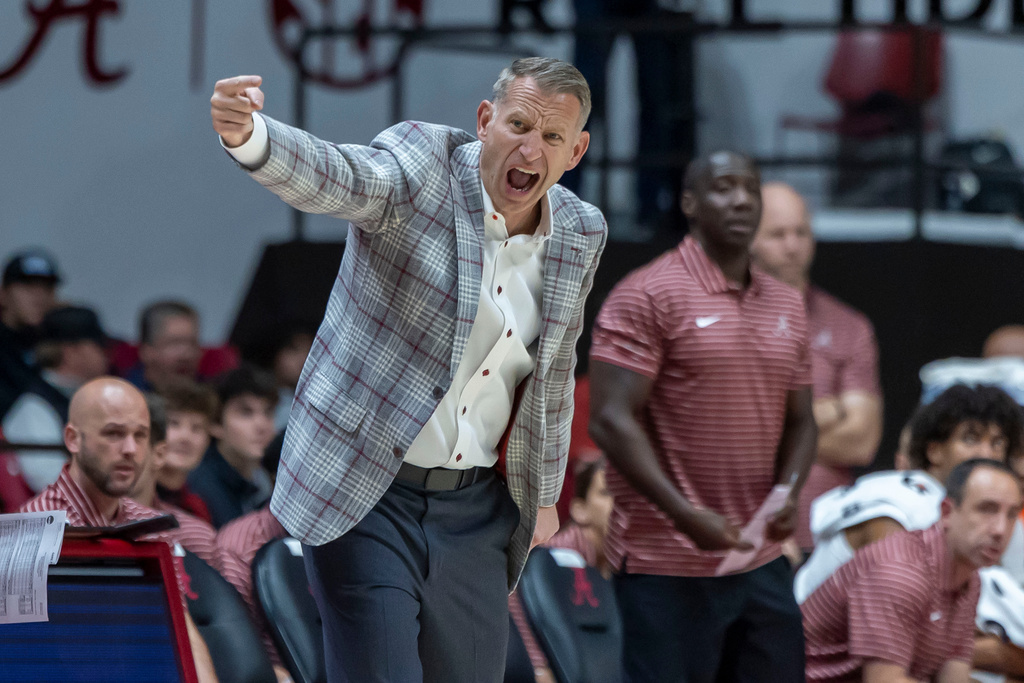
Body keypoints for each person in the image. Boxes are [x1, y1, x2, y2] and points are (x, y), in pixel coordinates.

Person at [211, 55, 605, 682]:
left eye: (552, 137)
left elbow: (553, 375)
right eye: (519, 125)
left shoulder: (580, 232)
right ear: (485, 120)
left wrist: (546, 493)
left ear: (576, 151)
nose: (531, 148)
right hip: (367, 488)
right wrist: (252, 137)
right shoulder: (420, 168)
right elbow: (340, 177)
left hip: (476, 509)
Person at [589, 151, 818, 682]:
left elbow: (803, 420)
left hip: (758, 558)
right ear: (689, 203)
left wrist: (787, 494)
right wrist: (684, 513)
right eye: (724, 187)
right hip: (665, 562)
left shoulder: (786, 303)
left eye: (751, 188)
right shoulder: (647, 293)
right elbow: (610, 419)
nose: (740, 198)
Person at [19, 376, 220, 683]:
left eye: (141, 436)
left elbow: (182, 631)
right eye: (114, 433)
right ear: (73, 439)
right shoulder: (32, 530)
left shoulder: (149, 525)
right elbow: (25, 659)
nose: (130, 449)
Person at [794, 383, 1024, 602]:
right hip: (813, 637)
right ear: (934, 451)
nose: (986, 453)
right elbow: (891, 612)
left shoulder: (995, 516)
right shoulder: (899, 507)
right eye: (971, 438)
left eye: (997, 443)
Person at [802, 458, 1023, 683]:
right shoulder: (900, 571)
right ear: (946, 511)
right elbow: (884, 681)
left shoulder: (969, 579)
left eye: (1012, 514)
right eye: (987, 509)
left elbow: (953, 677)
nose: (1000, 529)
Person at [750, 182, 883, 551]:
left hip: (829, 535)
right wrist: (824, 412)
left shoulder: (848, 325)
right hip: (741, 535)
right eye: (777, 234)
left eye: (801, 232)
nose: (792, 245)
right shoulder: (721, 318)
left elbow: (862, 442)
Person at [3, 306, 109, 493]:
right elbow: (47, 480)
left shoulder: (91, 398)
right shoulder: (34, 406)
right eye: (99, 345)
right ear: (72, 350)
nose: (108, 354)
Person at [187, 365, 277, 528]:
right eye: (246, 413)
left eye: (268, 412)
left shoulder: (265, 479)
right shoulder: (198, 487)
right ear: (216, 423)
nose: (262, 425)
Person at [0, 249, 61, 418]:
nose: (39, 296)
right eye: (27, 286)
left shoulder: (62, 342)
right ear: (3, 294)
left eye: (47, 288)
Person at [156, 379, 218, 523]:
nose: (185, 437)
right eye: (174, 423)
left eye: (196, 428)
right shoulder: (127, 500)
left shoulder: (198, 508)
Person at [125, 300, 203, 394]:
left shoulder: (210, 398)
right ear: (146, 350)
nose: (186, 355)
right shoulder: (127, 397)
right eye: (174, 343)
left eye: (193, 343)